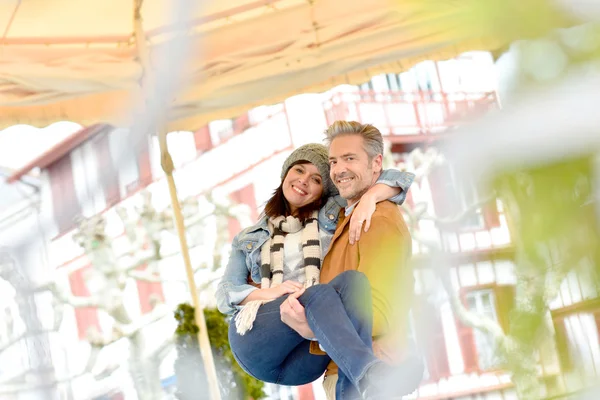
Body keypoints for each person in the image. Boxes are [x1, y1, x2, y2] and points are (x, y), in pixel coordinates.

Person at [216, 142, 414, 398]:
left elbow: (401, 178)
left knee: (354, 284)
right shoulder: (249, 238)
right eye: (298, 170)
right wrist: (272, 293)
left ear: (324, 191)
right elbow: (224, 295)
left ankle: (356, 388)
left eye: (316, 179)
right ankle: (372, 371)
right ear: (286, 173)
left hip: (306, 355)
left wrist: (370, 198)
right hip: (257, 340)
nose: (304, 181)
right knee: (318, 294)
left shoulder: (330, 215)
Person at [277, 121, 423, 400]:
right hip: (349, 375)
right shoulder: (348, 216)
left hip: (372, 380)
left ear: (376, 163)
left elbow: (378, 314)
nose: (339, 169)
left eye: (350, 158)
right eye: (333, 161)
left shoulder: (377, 220)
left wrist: (314, 329)